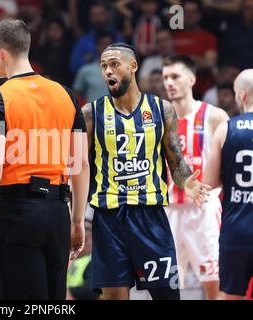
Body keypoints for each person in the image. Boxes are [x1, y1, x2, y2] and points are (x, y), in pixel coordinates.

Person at [0, 18, 89, 300]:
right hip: (58, 211)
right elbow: (81, 163)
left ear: (0, 52)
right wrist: (77, 221)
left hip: (16, 213)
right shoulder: (67, 95)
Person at [81, 43, 210, 300]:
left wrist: (188, 183)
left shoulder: (162, 110)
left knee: (166, 296)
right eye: (104, 66)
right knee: (114, 296)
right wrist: (74, 217)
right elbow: (80, 168)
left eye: (115, 64)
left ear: (133, 65)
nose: (108, 71)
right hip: (109, 218)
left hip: (150, 217)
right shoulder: (91, 113)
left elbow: (176, 163)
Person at [162, 55, 229, 300]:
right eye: (165, 77)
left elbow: (229, 167)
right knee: (165, 287)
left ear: (191, 79)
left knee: (215, 285)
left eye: (175, 76)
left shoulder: (215, 116)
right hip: (168, 211)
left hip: (204, 211)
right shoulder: (158, 119)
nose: (169, 82)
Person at [204, 69, 253, 299]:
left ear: (241, 96)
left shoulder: (226, 128)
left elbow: (210, 183)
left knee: (232, 296)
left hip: (236, 230)